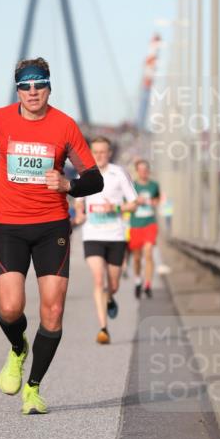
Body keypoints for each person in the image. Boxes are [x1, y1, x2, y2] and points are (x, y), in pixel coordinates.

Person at [0, 57, 102, 415]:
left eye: (39, 84)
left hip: (51, 227)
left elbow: (95, 178)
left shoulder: (64, 126)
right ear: (17, 90)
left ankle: (33, 388)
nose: (33, 92)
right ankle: (17, 349)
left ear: (49, 87)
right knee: (11, 309)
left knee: (54, 311)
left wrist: (69, 184)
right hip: (9, 226)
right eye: (26, 86)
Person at [74, 137, 137, 344]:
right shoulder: (83, 172)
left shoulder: (118, 173)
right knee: (98, 279)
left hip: (116, 236)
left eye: (103, 152)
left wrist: (116, 208)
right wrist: (80, 213)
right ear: (90, 153)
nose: (99, 155)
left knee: (114, 284)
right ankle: (103, 328)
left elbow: (134, 203)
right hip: (93, 235)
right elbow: (78, 201)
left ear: (109, 153)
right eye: (96, 152)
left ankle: (110, 297)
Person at [129, 159, 160, 299]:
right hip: (136, 225)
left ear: (149, 171)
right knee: (136, 258)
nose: (143, 172)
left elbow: (158, 200)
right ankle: (137, 281)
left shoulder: (154, 185)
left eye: (145, 170)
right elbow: (126, 205)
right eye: (140, 170)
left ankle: (147, 284)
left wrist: (153, 202)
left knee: (148, 253)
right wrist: (136, 202)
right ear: (137, 171)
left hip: (150, 223)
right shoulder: (132, 186)